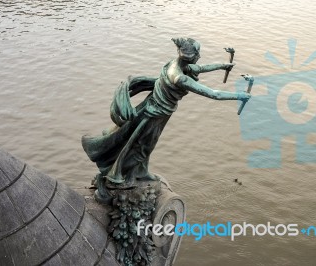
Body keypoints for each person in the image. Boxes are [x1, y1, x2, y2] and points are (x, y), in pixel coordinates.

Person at [82, 37, 250, 201]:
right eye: (199, 52)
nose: (200, 56)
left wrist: (223, 66)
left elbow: (200, 68)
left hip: (157, 112)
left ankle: (141, 171)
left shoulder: (175, 63)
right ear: (192, 55)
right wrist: (240, 95)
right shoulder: (179, 77)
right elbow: (213, 94)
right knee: (142, 146)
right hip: (154, 115)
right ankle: (123, 175)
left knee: (145, 145)